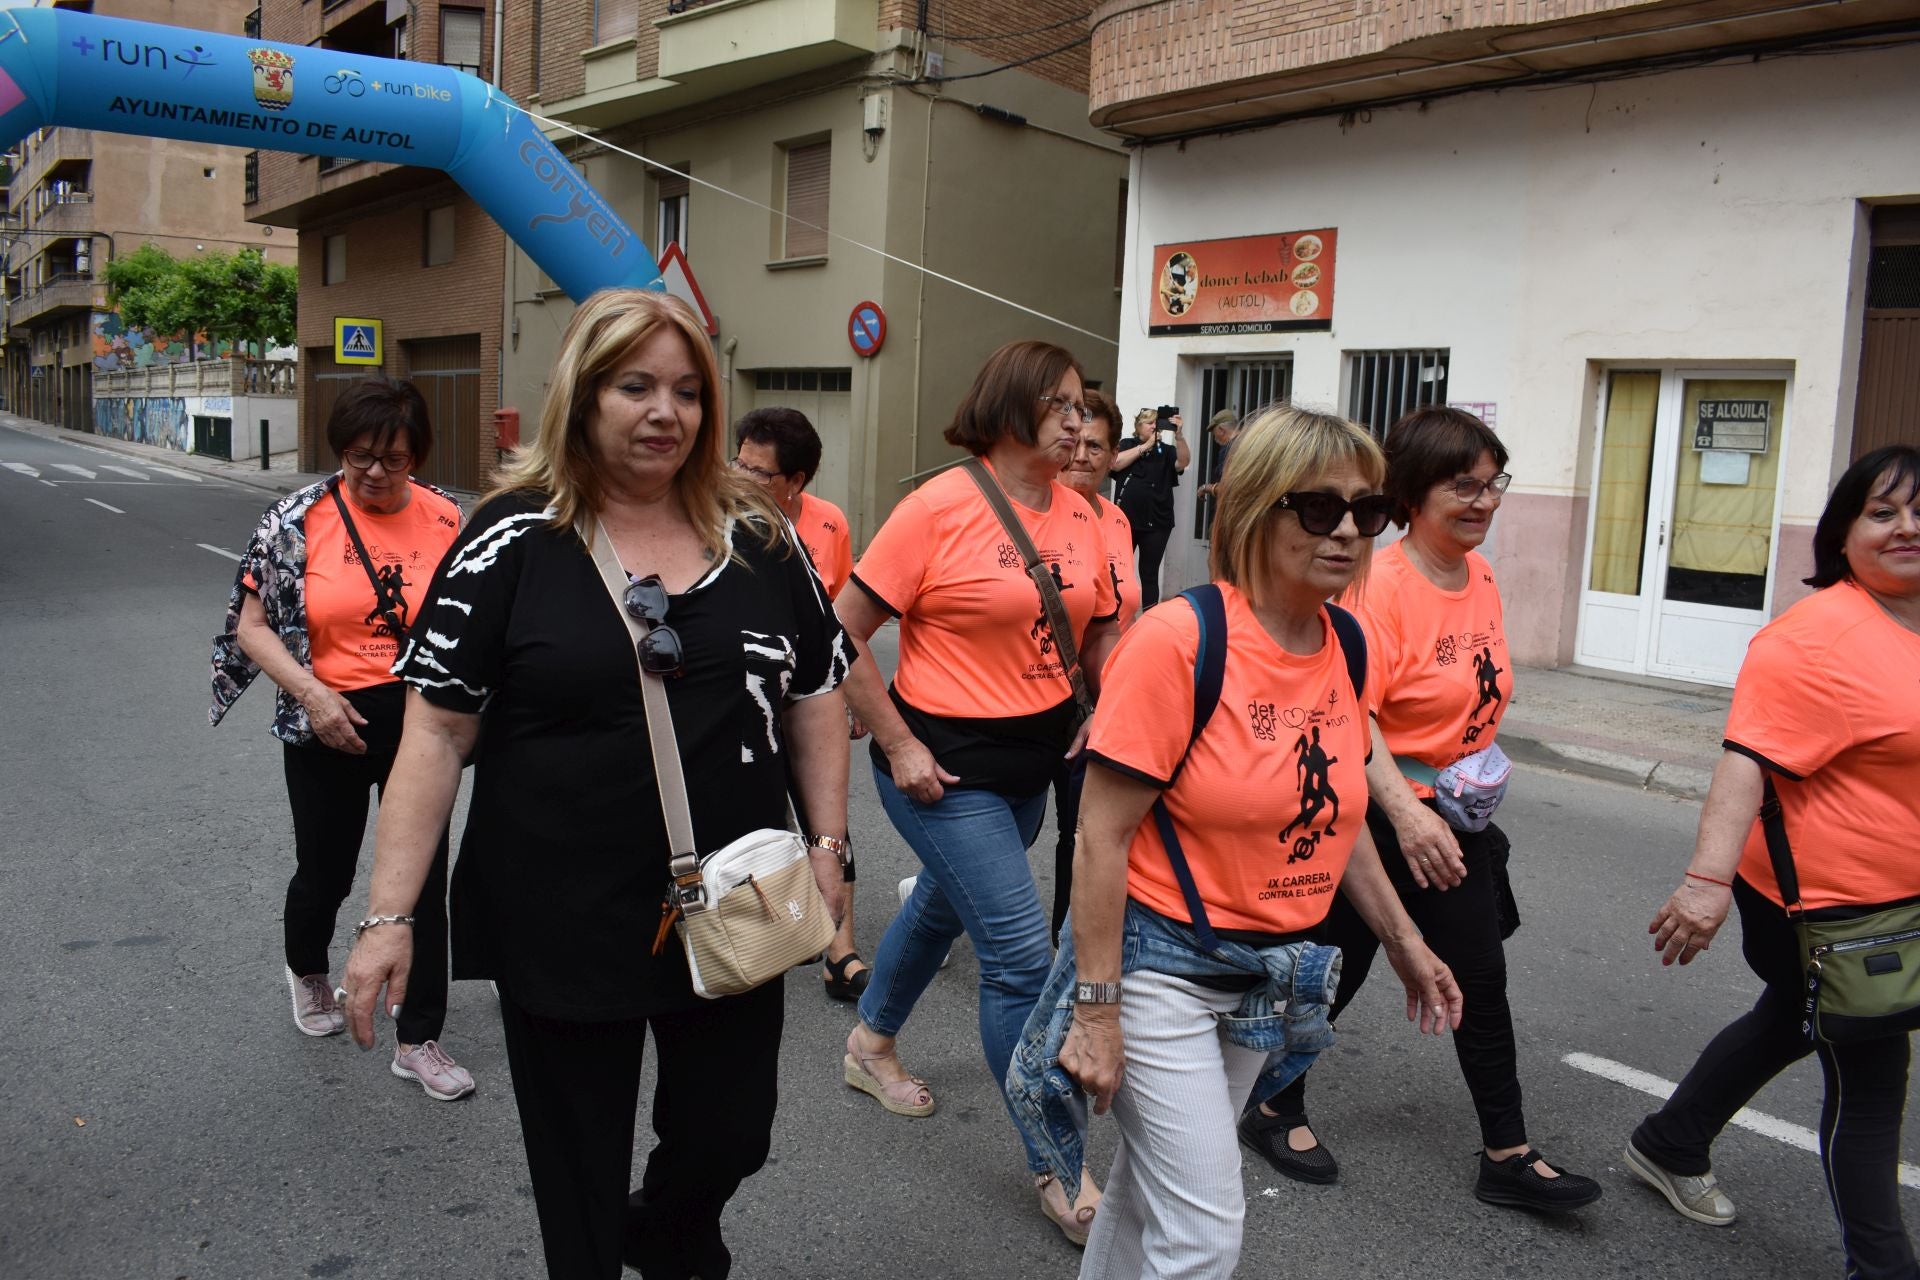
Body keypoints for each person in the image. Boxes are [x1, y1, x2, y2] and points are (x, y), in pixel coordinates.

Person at [338, 290, 853, 1280]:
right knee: (577, 1172)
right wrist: (387, 916)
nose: (666, 410)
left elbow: (819, 692)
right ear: (581, 394)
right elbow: (438, 731)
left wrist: (830, 846)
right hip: (558, 909)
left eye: (687, 391)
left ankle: (664, 1225)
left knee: (731, 1131)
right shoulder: (509, 538)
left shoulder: (761, 536)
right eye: (635, 386)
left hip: (737, 896)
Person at [1051, 404, 1462, 1279]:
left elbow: (1334, 816)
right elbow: (1100, 838)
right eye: (1318, 509)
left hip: (1264, 976)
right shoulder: (1179, 641)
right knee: (1203, 1234)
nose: (1349, 531)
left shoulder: (1347, 643)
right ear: (1255, 511)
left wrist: (1405, 942)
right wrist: (1096, 1011)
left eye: (1368, 510)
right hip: (1161, 970)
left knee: (1145, 1197)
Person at [1255, 406, 1601, 1211]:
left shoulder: (1478, 575)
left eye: (1492, 485)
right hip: (1379, 818)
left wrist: (1470, 772)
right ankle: (1274, 1102)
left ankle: (1506, 1153)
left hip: (1456, 817)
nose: (1482, 501)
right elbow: (1348, 713)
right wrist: (1408, 817)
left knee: (1477, 975)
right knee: (1335, 974)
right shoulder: (1378, 584)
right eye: (1462, 485)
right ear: (1413, 492)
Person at [834, 339, 1121, 1245]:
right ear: (1011, 410)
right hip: (939, 773)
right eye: (1065, 407)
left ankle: (869, 1040)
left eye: (1085, 409)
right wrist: (898, 743)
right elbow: (838, 633)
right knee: (1020, 962)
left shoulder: (1085, 514)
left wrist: (1101, 706)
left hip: (1032, 768)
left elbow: (1102, 625)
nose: (1081, 425)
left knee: (943, 912)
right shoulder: (938, 508)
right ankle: (1059, 1164)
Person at [1629, 445, 1920, 1278]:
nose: (1907, 528)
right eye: (1883, 512)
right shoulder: (1819, 637)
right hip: (1830, 907)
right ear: (1843, 532)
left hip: (1901, 897)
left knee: (1793, 1019)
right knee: (1870, 1075)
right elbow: (1746, 761)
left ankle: (1669, 1142)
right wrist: (1704, 884)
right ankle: (1883, 1266)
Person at [208, 375, 471, 1101]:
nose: (376, 474)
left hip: (419, 722)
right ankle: (307, 968)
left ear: (418, 455)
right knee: (324, 869)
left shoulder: (449, 518)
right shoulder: (297, 518)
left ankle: (418, 1038)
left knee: (422, 882)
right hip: (323, 715)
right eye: (359, 458)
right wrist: (313, 694)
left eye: (393, 459)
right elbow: (250, 627)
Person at [731, 406, 868, 1003]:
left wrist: (848, 697)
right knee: (761, 826)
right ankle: (759, 937)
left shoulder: (829, 525)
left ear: (797, 482)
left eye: (758, 473)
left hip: (809, 699)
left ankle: (841, 951)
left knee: (828, 826)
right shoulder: (719, 522)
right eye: (738, 463)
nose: (741, 479)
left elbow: (834, 625)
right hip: (749, 707)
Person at [1047, 389, 1140, 942]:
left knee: (1079, 828)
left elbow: (1126, 610)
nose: (1083, 455)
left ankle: (1069, 944)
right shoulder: (1031, 513)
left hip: (1101, 705)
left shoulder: (1120, 520)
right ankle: (931, 898)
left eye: (1097, 447)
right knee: (1009, 830)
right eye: (1076, 442)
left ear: (1113, 457)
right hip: (1038, 697)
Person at [1112, 405, 1190, 608]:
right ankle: (1118, 612)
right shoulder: (1127, 444)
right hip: (1124, 521)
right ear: (1138, 426)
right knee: (1120, 569)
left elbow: (1183, 463)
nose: (1155, 426)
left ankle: (1149, 617)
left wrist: (1179, 436)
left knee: (1149, 572)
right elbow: (1115, 464)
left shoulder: (1166, 451)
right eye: (1149, 422)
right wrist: (1146, 446)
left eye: (1157, 422)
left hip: (1157, 521)